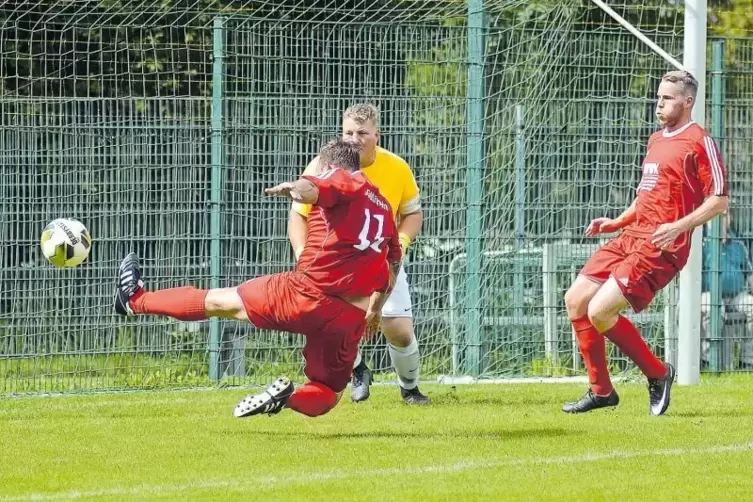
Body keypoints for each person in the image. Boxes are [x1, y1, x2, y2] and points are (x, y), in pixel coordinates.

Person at [114, 139, 403, 418]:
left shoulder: (342, 179)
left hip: (308, 294)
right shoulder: (384, 208)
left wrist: (296, 188)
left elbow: (315, 187)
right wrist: (375, 309)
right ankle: (286, 399)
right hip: (350, 315)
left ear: (327, 166)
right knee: (328, 392)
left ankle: (135, 300)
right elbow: (393, 264)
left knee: (220, 301)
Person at [563, 70, 728, 415]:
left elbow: (719, 201)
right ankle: (602, 391)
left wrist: (678, 226)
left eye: (667, 98)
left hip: (661, 245)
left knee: (600, 311)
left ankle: (657, 373)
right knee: (576, 299)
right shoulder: (656, 140)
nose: (659, 103)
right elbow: (646, 196)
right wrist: (617, 222)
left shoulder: (700, 141)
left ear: (688, 102)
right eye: (658, 96)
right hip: (631, 236)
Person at [288, 103, 430, 405]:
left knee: (400, 331)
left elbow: (413, 213)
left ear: (376, 135)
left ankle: (411, 389)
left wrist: (401, 242)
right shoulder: (321, 166)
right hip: (334, 263)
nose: (354, 138)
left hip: (380, 259)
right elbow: (297, 216)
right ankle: (358, 371)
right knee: (333, 324)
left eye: (362, 132)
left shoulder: (397, 167)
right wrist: (303, 255)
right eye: (348, 132)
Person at [700, 211, 753, 368]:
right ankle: (709, 361)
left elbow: (749, 275)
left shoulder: (738, 244)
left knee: (752, 305)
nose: (725, 219)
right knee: (713, 307)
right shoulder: (702, 243)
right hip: (708, 294)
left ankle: (747, 362)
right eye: (720, 215)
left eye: (727, 215)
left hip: (737, 295)